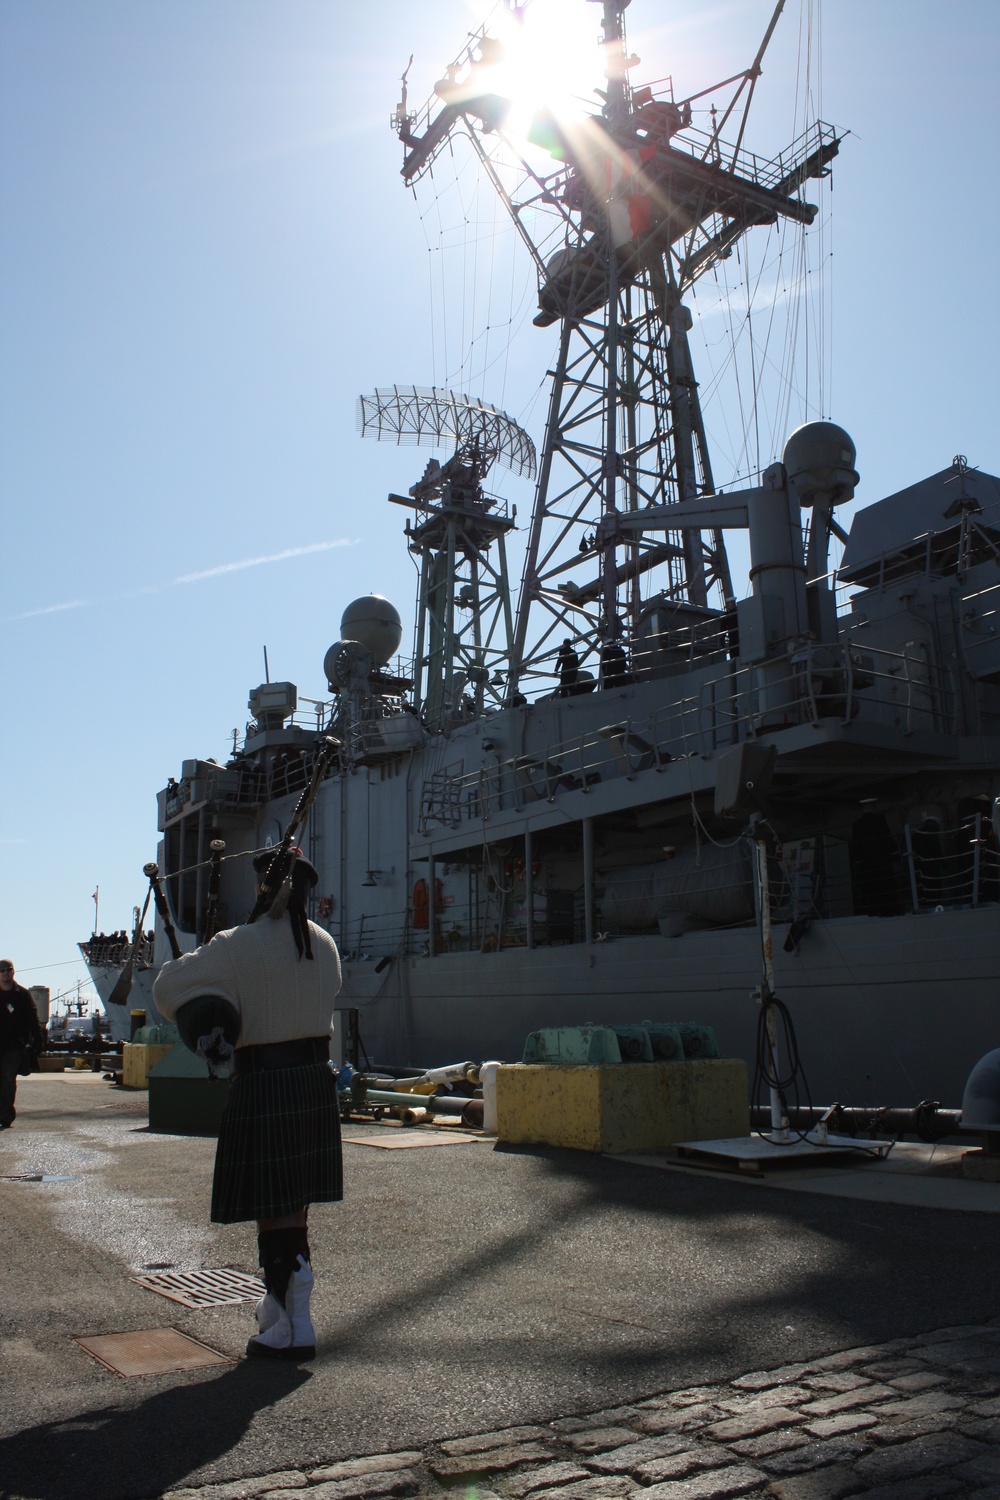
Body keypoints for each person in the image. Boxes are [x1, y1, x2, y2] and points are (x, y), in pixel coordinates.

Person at [152, 850, 342, 1362]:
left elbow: (166, 987)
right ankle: (286, 1316)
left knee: (272, 1210)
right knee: (294, 1207)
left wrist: (214, 991)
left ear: (263, 889)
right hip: (313, 1084)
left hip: (265, 1083)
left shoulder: (237, 944)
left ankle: (290, 1319)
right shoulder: (325, 944)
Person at [0, 961, 45, 1129]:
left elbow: (33, 1019)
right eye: (2, 970)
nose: (5, 973)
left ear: (13, 971)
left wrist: (38, 1040)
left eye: (8, 970)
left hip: (14, 1045)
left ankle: (6, 1115)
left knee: (8, 1079)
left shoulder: (23, 995)